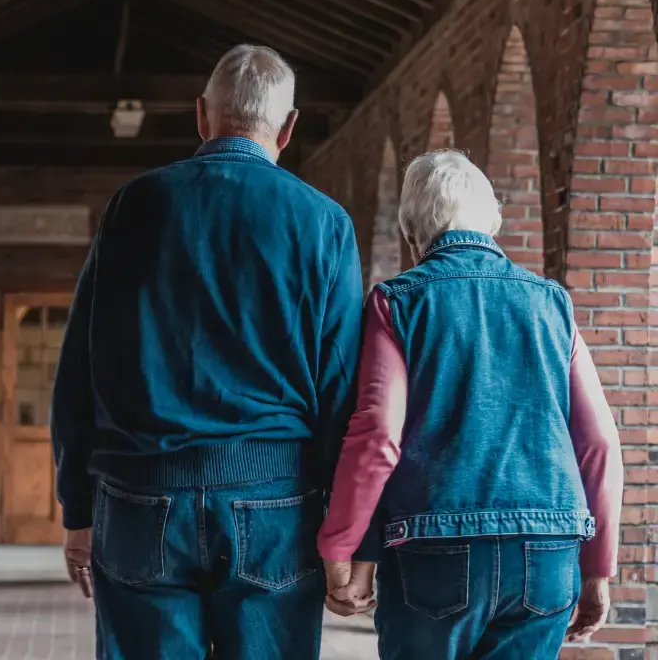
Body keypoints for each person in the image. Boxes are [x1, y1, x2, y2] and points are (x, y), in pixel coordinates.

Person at [50, 44, 376, 660]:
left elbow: (80, 369)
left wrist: (77, 508)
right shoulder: (323, 223)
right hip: (274, 503)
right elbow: (342, 391)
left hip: (139, 495)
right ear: (288, 128)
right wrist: (344, 534)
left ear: (201, 115)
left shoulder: (134, 206)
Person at [317, 149, 624, 658]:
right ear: (494, 222)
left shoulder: (398, 301)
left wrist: (343, 544)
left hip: (436, 544)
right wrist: (598, 566)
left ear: (413, 233)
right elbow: (597, 443)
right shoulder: (552, 303)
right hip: (547, 547)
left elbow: (377, 436)